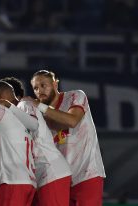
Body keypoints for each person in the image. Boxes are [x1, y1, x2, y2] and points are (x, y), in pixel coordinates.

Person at [30, 70, 105, 206]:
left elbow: (72, 121)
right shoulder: (39, 114)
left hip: (86, 174)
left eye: (43, 85)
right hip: (61, 179)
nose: (39, 90)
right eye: (35, 88)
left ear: (55, 84)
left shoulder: (75, 96)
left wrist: (39, 106)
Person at [1, 77, 72, 206]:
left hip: (51, 171)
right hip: (42, 174)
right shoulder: (13, 116)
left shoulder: (25, 105)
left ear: (13, 96)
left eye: (1, 97)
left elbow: (34, 125)